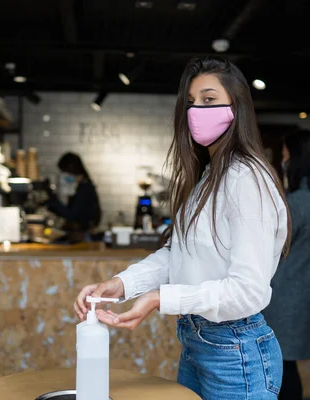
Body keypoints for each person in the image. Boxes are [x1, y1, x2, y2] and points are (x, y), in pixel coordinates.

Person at [73, 58, 291, 400]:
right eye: (191, 102)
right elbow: (179, 255)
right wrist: (120, 285)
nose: (195, 110)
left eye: (208, 99)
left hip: (235, 355)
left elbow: (248, 291)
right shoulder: (209, 176)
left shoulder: (246, 178)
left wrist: (162, 298)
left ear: (238, 107)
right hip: (196, 342)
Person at [261, 129, 310, 400]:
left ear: (296, 160)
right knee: (286, 365)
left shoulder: (296, 203)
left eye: (284, 156)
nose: (282, 162)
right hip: (307, 296)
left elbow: (266, 248)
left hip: (282, 299)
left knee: (278, 370)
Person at [44, 152, 101, 242]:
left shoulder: (85, 188)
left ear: (71, 170)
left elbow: (71, 214)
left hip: (81, 236)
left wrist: (53, 201)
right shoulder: (82, 187)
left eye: (64, 172)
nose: (63, 176)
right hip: (81, 234)